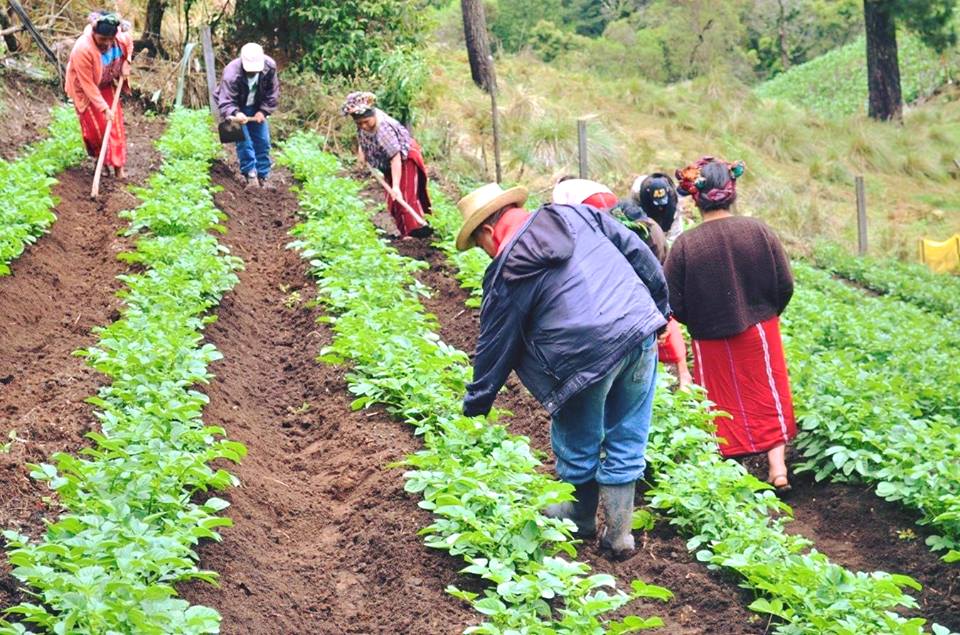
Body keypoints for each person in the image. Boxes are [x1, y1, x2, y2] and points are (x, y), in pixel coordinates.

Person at [456, 182, 669, 558]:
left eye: (479, 244)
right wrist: (659, 309)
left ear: (488, 231)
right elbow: (638, 252)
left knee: (578, 440)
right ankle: (620, 535)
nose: (485, 252)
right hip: (637, 330)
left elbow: (495, 343)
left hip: (581, 357)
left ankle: (580, 518)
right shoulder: (577, 214)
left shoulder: (506, 269)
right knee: (628, 433)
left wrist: (476, 403)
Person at [664, 156, 797, 491]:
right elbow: (785, 283)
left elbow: (672, 301)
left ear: (696, 197)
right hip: (759, 328)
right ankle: (777, 468)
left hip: (709, 338)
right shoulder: (759, 231)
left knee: (721, 403)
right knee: (767, 391)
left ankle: (732, 473)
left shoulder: (684, 245)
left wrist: (696, 321)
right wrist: (767, 311)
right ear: (731, 190)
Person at [625, 173, 693, 390]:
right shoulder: (635, 201)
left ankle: (682, 374)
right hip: (641, 239)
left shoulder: (672, 203)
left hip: (661, 242)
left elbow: (672, 239)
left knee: (665, 308)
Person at [341, 92, 432, 238]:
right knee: (393, 200)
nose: (363, 126)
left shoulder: (383, 128)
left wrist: (396, 186)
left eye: (366, 122)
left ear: (373, 115)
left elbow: (395, 157)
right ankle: (406, 234)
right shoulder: (363, 122)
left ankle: (416, 235)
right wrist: (362, 152)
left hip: (404, 159)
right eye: (359, 123)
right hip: (388, 163)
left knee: (404, 197)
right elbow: (361, 136)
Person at [65, 11, 132, 178]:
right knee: (96, 130)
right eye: (103, 39)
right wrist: (103, 107)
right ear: (94, 33)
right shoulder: (83, 49)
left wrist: (127, 62)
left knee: (114, 126)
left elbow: (129, 43)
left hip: (106, 84)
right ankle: (100, 161)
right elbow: (88, 84)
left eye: (111, 39)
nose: (107, 43)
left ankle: (118, 168)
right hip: (85, 89)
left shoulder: (119, 37)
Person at [216, 43, 280, 189]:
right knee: (243, 141)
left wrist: (263, 111)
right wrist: (236, 113)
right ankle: (250, 175)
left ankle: (264, 176)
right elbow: (226, 100)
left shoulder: (269, 67)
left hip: (256, 105)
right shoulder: (231, 73)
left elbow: (272, 93)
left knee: (263, 141)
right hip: (235, 107)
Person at [631, 173, 683, 243]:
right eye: (658, 202)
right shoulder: (637, 191)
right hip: (645, 204)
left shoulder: (674, 196)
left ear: (667, 191)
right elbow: (636, 215)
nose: (660, 207)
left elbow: (676, 229)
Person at [551, 176, 618, 210]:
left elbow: (559, 209)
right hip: (611, 197)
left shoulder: (560, 187)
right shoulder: (584, 182)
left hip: (592, 199)